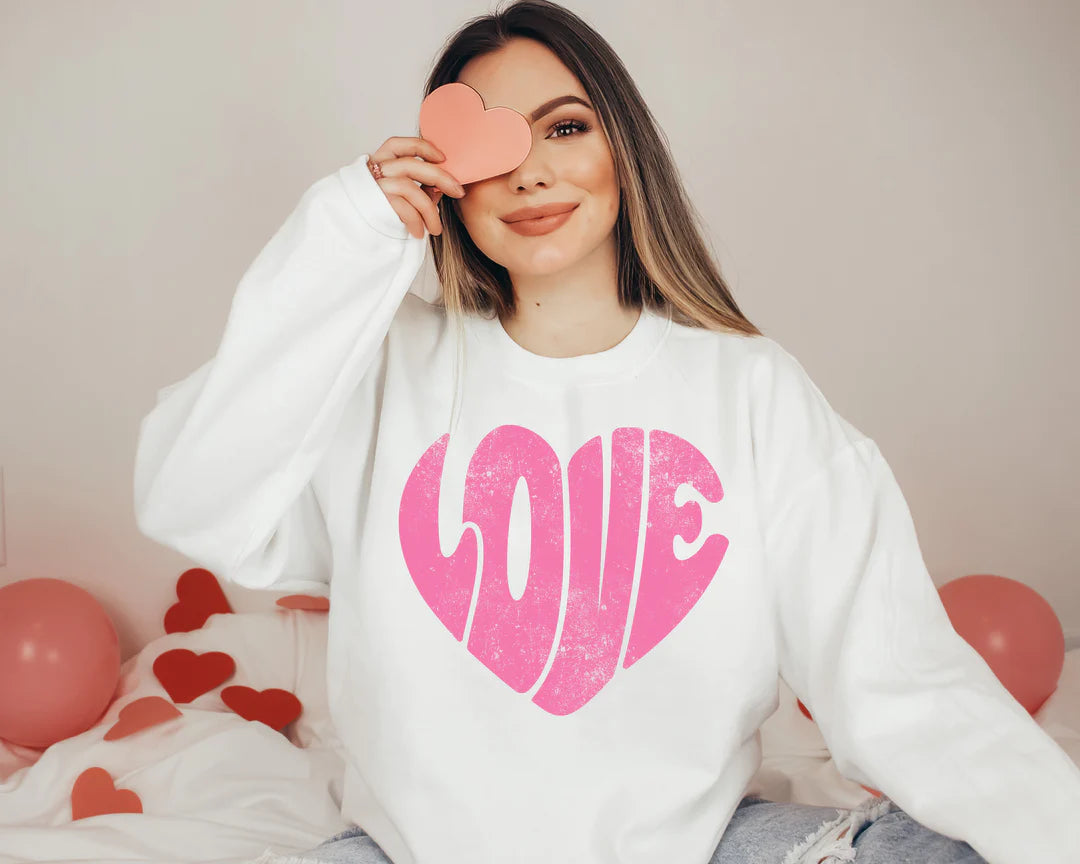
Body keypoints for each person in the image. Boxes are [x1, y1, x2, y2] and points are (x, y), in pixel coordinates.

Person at [132, 2, 1080, 862]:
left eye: (567, 128)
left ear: (623, 148)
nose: (531, 170)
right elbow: (189, 500)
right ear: (448, 182)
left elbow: (900, 677)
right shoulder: (381, 374)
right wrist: (348, 233)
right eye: (488, 148)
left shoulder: (750, 389)